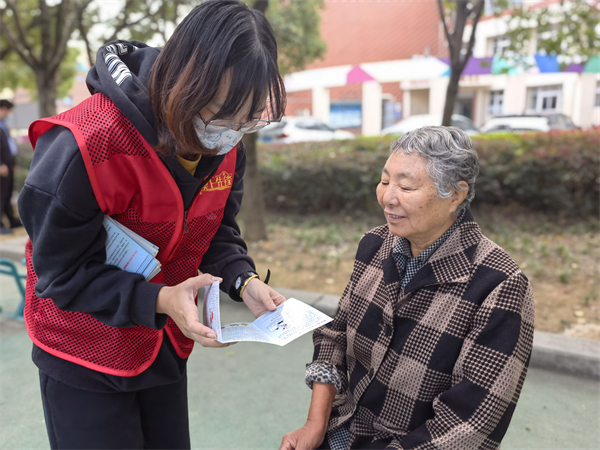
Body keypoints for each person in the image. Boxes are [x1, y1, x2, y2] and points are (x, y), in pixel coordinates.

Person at [18, 1, 286, 448]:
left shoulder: (225, 144)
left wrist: (243, 281)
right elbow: (59, 274)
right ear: (184, 80)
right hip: (84, 351)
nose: (230, 135)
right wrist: (160, 297)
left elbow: (216, 228)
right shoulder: (83, 146)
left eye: (248, 121)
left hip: (161, 345)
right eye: (221, 115)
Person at [280, 127, 535, 450]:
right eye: (385, 181)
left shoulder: (499, 284)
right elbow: (335, 334)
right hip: (344, 430)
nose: (388, 197)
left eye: (406, 185)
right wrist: (315, 424)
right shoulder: (375, 245)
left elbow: (468, 426)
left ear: (455, 195)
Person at [0, 99, 21, 231]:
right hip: (2, 165)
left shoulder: (3, 125)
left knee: (7, 193)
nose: (9, 113)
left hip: (8, 164)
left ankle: (11, 220)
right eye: (8, 110)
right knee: (1, 194)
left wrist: (12, 163)